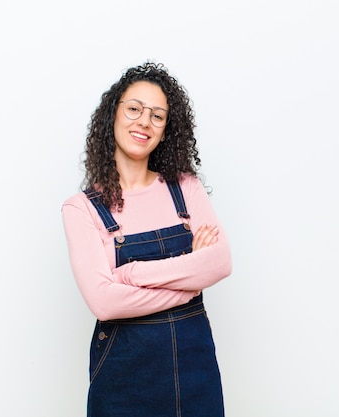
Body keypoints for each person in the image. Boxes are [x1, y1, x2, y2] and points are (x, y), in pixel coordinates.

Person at [61, 62, 232, 417]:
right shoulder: (81, 209)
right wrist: (189, 283)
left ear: (167, 128)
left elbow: (220, 263)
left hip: (195, 373)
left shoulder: (186, 188)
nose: (144, 122)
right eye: (135, 109)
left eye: (157, 115)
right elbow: (105, 303)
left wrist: (132, 274)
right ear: (114, 114)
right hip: (123, 380)